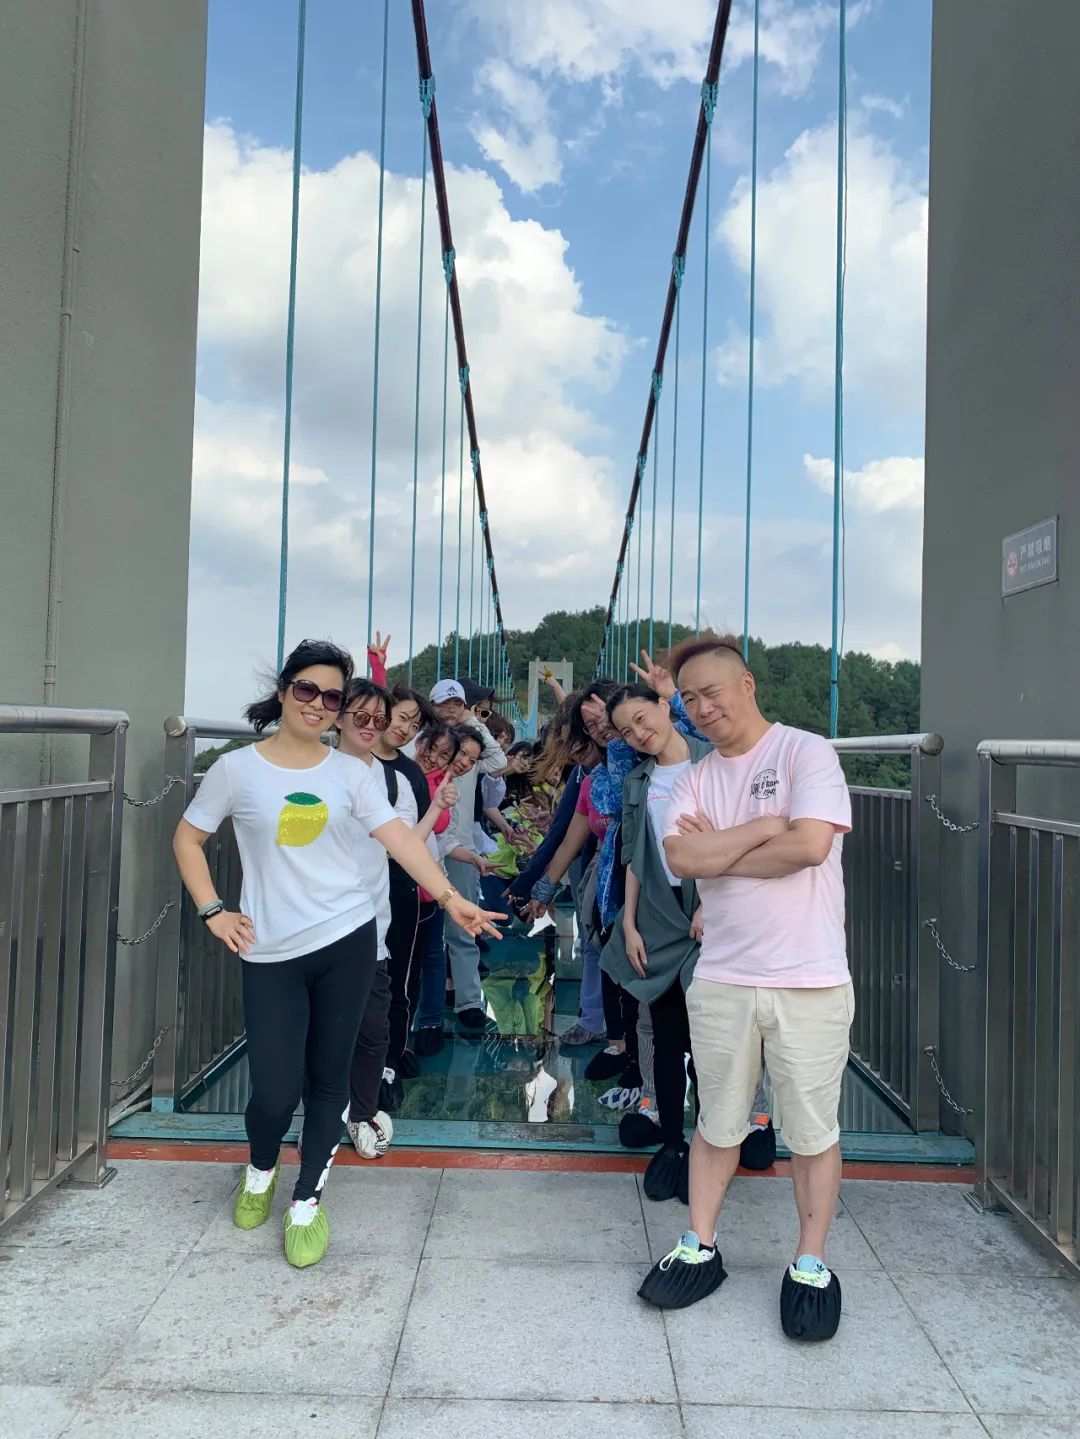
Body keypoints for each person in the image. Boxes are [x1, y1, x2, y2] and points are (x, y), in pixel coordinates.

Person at [172, 640, 502, 1271]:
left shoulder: (352, 773)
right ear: (282, 692)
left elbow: (399, 838)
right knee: (274, 1090)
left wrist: (450, 898)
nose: (318, 704)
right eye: (307, 690)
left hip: (347, 939)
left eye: (331, 696)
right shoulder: (236, 770)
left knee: (329, 1080)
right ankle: (261, 1166)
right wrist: (214, 911)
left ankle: (306, 1200)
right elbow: (188, 839)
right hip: (270, 949)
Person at [637, 634, 853, 1343]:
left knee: (811, 1130)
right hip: (723, 976)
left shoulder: (804, 752)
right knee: (717, 1121)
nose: (701, 708)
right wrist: (763, 828)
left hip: (808, 977)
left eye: (711, 692)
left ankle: (810, 1260)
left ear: (748, 684)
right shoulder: (694, 777)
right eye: (687, 699)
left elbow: (811, 845)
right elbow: (681, 857)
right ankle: (699, 1243)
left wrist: (723, 850)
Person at [601, 684, 775, 1200]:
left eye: (642, 718)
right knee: (665, 1029)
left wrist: (711, 903)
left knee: (713, 1036)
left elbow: (746, 834)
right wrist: (629, 925)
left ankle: (721, 1133)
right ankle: (673, 1143)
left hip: (712, 915)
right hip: (659, 915)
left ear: (664, 706)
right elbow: (634, 857)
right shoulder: (638, 780)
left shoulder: (716, 761)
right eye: (626, 730)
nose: (638, 733)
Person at [334, 678, 456, 1157]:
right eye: (365, 717)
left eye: (387, 720)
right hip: (321, 921)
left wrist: (448, 897)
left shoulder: (400, 779)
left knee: (377, 1015)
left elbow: (405, 842)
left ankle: (364, 1104)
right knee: (327, 1024)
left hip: (380, 908)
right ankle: (329, 1114)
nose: (386, 727)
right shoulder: (315, 770)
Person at [369, 680, 438, 1083]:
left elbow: (416, 840)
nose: (406, 729)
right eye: (403, 718)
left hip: (400, 884)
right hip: (354, 886)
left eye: (415, 725)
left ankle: (391, 1058)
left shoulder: (410, 772)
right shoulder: (348, 763)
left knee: (400, 974)